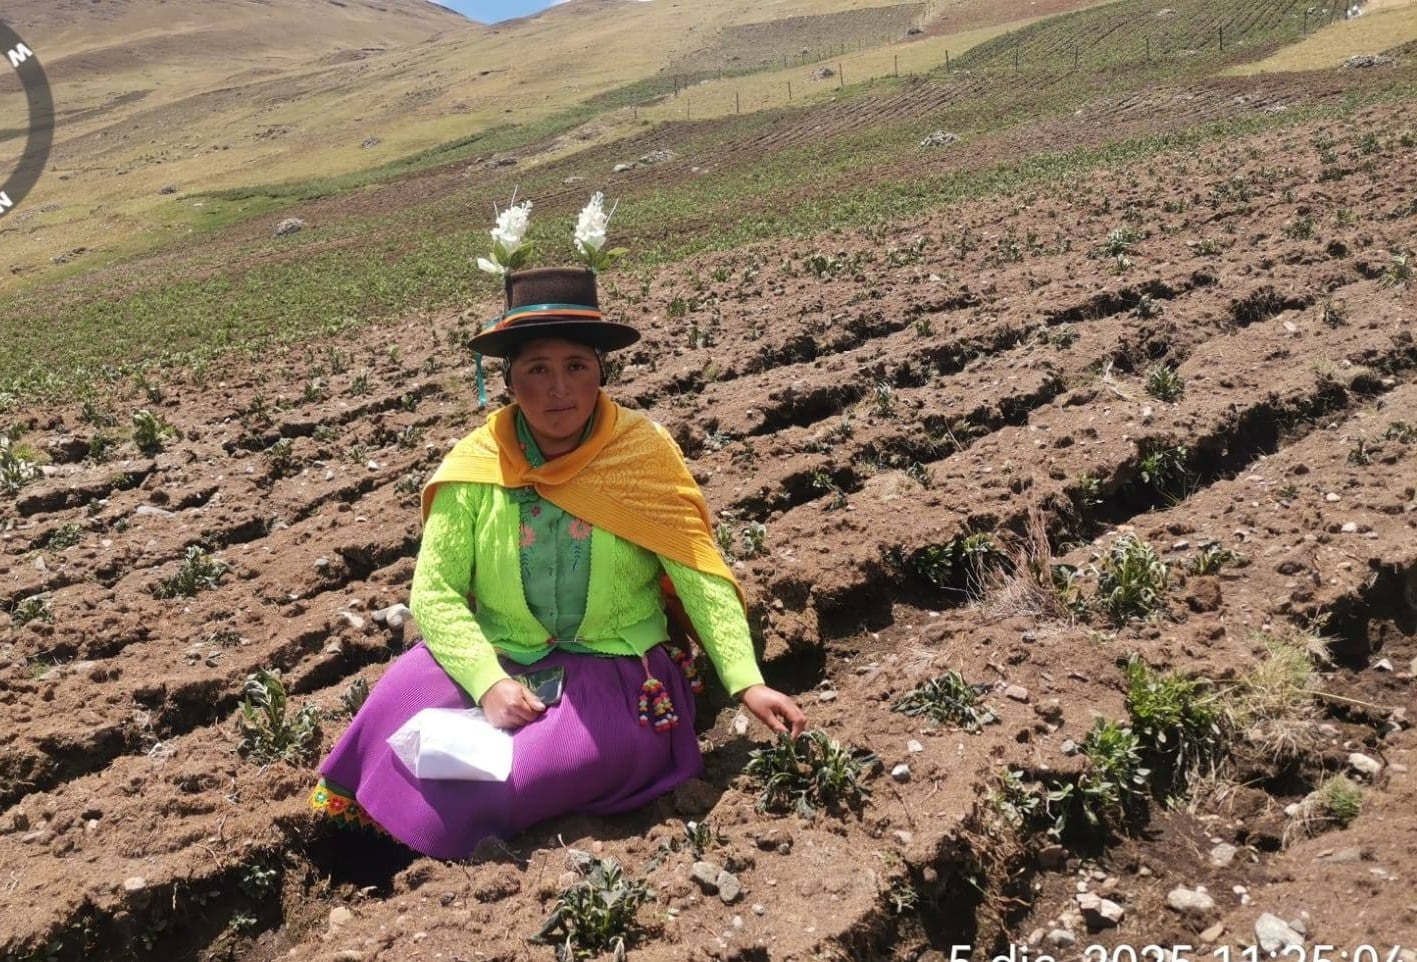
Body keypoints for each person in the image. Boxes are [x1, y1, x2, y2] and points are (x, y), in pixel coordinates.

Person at [310, 266, 805, 860]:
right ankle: (362, 854)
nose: (558, 389)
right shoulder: (476, 465)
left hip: (615, 669)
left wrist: (746, 681)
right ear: (509, 379)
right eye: (537, 370)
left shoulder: (642, 455)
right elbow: (435, 592)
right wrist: (488, 682)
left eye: (576, 366)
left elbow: (697, 573)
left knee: (513, 774)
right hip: (498, 652)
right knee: (388, 721)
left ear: (602, 371)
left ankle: (435, 851)